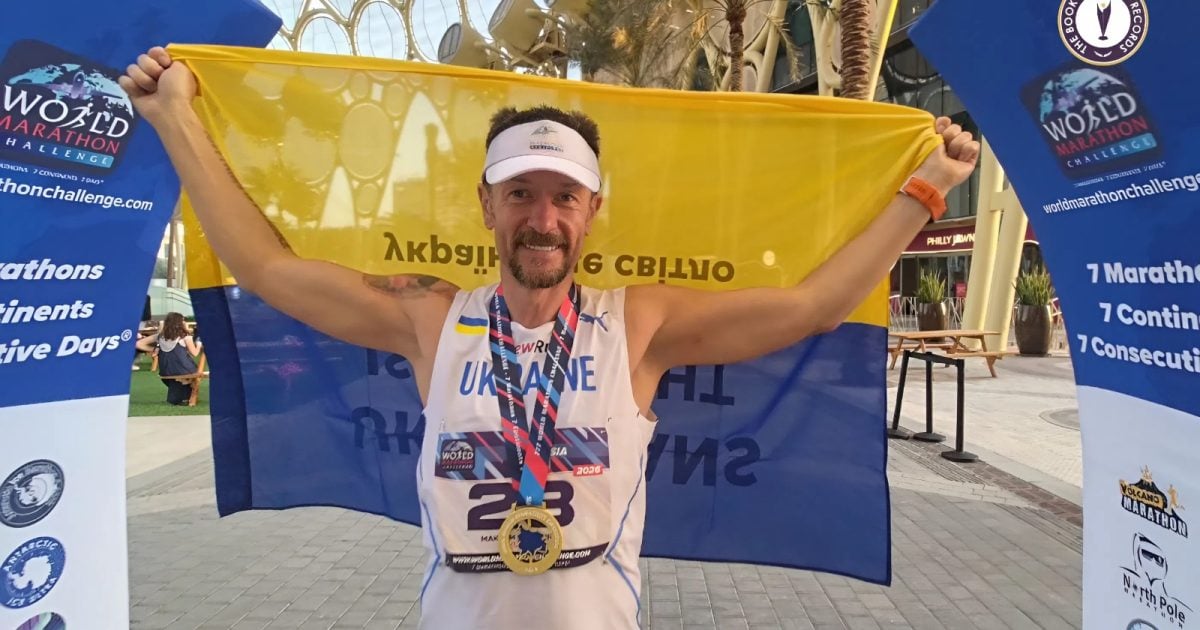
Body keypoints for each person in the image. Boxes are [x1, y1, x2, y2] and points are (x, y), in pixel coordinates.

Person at [119, 47, 980, 629]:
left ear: (592, 211)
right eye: (521, 194)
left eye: (564, 197)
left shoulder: (638, 324)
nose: (543, 218)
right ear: (486, 206)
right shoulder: (430, 317)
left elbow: (813, 306)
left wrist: (928, 187)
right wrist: (174, 119)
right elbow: (267, 269)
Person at [136, 311, 202, 405]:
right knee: (196, 371)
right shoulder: (185, 337)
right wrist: (199, 344)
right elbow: (195, 353)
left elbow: (138, 344)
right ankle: (188, 395)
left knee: (180, 381)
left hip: (165, 371)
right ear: (180, 322)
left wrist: (155, 349)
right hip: (184, 370)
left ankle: (181, 395)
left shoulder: (160, 336)